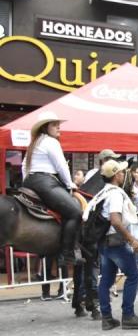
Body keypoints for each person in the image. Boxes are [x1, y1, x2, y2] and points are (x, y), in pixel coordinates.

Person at [87, 159, 138, 330]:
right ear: (116, 175)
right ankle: (128, 316)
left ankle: (107, 318)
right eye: (122, 172)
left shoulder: (102, 193)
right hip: (115, 242)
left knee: (106, 280)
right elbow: (115, 221)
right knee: (134, 276)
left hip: (104, 243)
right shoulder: (115, 193)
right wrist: (132, 240)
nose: (124, 174)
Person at [21, 112, 83, 265]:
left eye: (58, 124)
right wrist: (70, 184)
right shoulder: (51, 142)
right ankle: (66, 253)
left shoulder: (34, 142)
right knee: (75, 212)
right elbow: (61, 165)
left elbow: (24, 166)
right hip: (46, 182)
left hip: (30, 181)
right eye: (54, 125)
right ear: (45, 127)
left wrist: (26, 182)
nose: (58, 127)